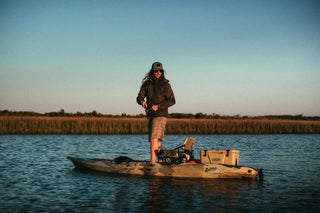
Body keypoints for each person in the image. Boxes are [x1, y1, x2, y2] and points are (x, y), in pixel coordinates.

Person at [137, 62, 176, 163]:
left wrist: (158, 106)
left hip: (161, 115)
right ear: (152, 71)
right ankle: (161, 161)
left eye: (160, 71)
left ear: (162, 72)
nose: (158, 73)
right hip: (151, 115)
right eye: (156, 71)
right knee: (156, 141)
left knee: (154, 139)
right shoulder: (146, 84)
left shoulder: (166, 85)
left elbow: (172, 100)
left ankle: (152, 163)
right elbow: (139, 97)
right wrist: (142, 102)